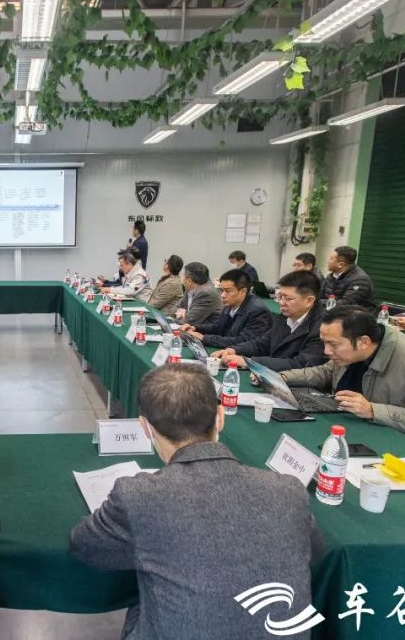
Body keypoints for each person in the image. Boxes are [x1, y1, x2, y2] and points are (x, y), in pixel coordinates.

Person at [70, 364, 319, 640]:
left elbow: (84, 545)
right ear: (220, 417)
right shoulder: (289, 490)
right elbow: (313, 551)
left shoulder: (137, 495)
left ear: (145, 428)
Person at [281, 307, 405, 469]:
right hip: (366, 440)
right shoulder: (353, 351)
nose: (326, 351)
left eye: (333, 344)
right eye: (324, 343)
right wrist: (282, 378)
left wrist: (373, 410)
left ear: (364, 342)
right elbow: (325, 372)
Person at [211, 270, 327, 372]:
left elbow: (300, 364)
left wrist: (249, 362)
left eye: (288, 298)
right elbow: (263, 343)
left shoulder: (323, 327)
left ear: (309, 301)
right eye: (279, 296)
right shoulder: (283, 317)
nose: (281, 303)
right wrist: (235, 349)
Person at [182, 269, 272, 346]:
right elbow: (217, 327)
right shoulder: (230, 303)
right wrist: (195, 328)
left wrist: (204, 338)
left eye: (228, 291)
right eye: (221, 290)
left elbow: (242, 341)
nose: (223, 295)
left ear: (243, 291)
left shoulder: (258, 311)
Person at [321, 246, 377, 311]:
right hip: (331, 313)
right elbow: (320, 296)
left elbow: (346, 303)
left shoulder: (360, 279)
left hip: (355, 315)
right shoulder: (331, 276)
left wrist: (316, 303)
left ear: (340, 264)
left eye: (331, 259)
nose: (328, 261)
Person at [174, 262, 221, 331]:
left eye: (183, 277)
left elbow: (188, 321)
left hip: (206, 333)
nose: (182, 280)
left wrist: (180, 315)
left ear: (189, 281)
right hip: (191, 329)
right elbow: (174, 309)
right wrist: (179, 312)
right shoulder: (190, 289)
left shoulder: (205, 293)